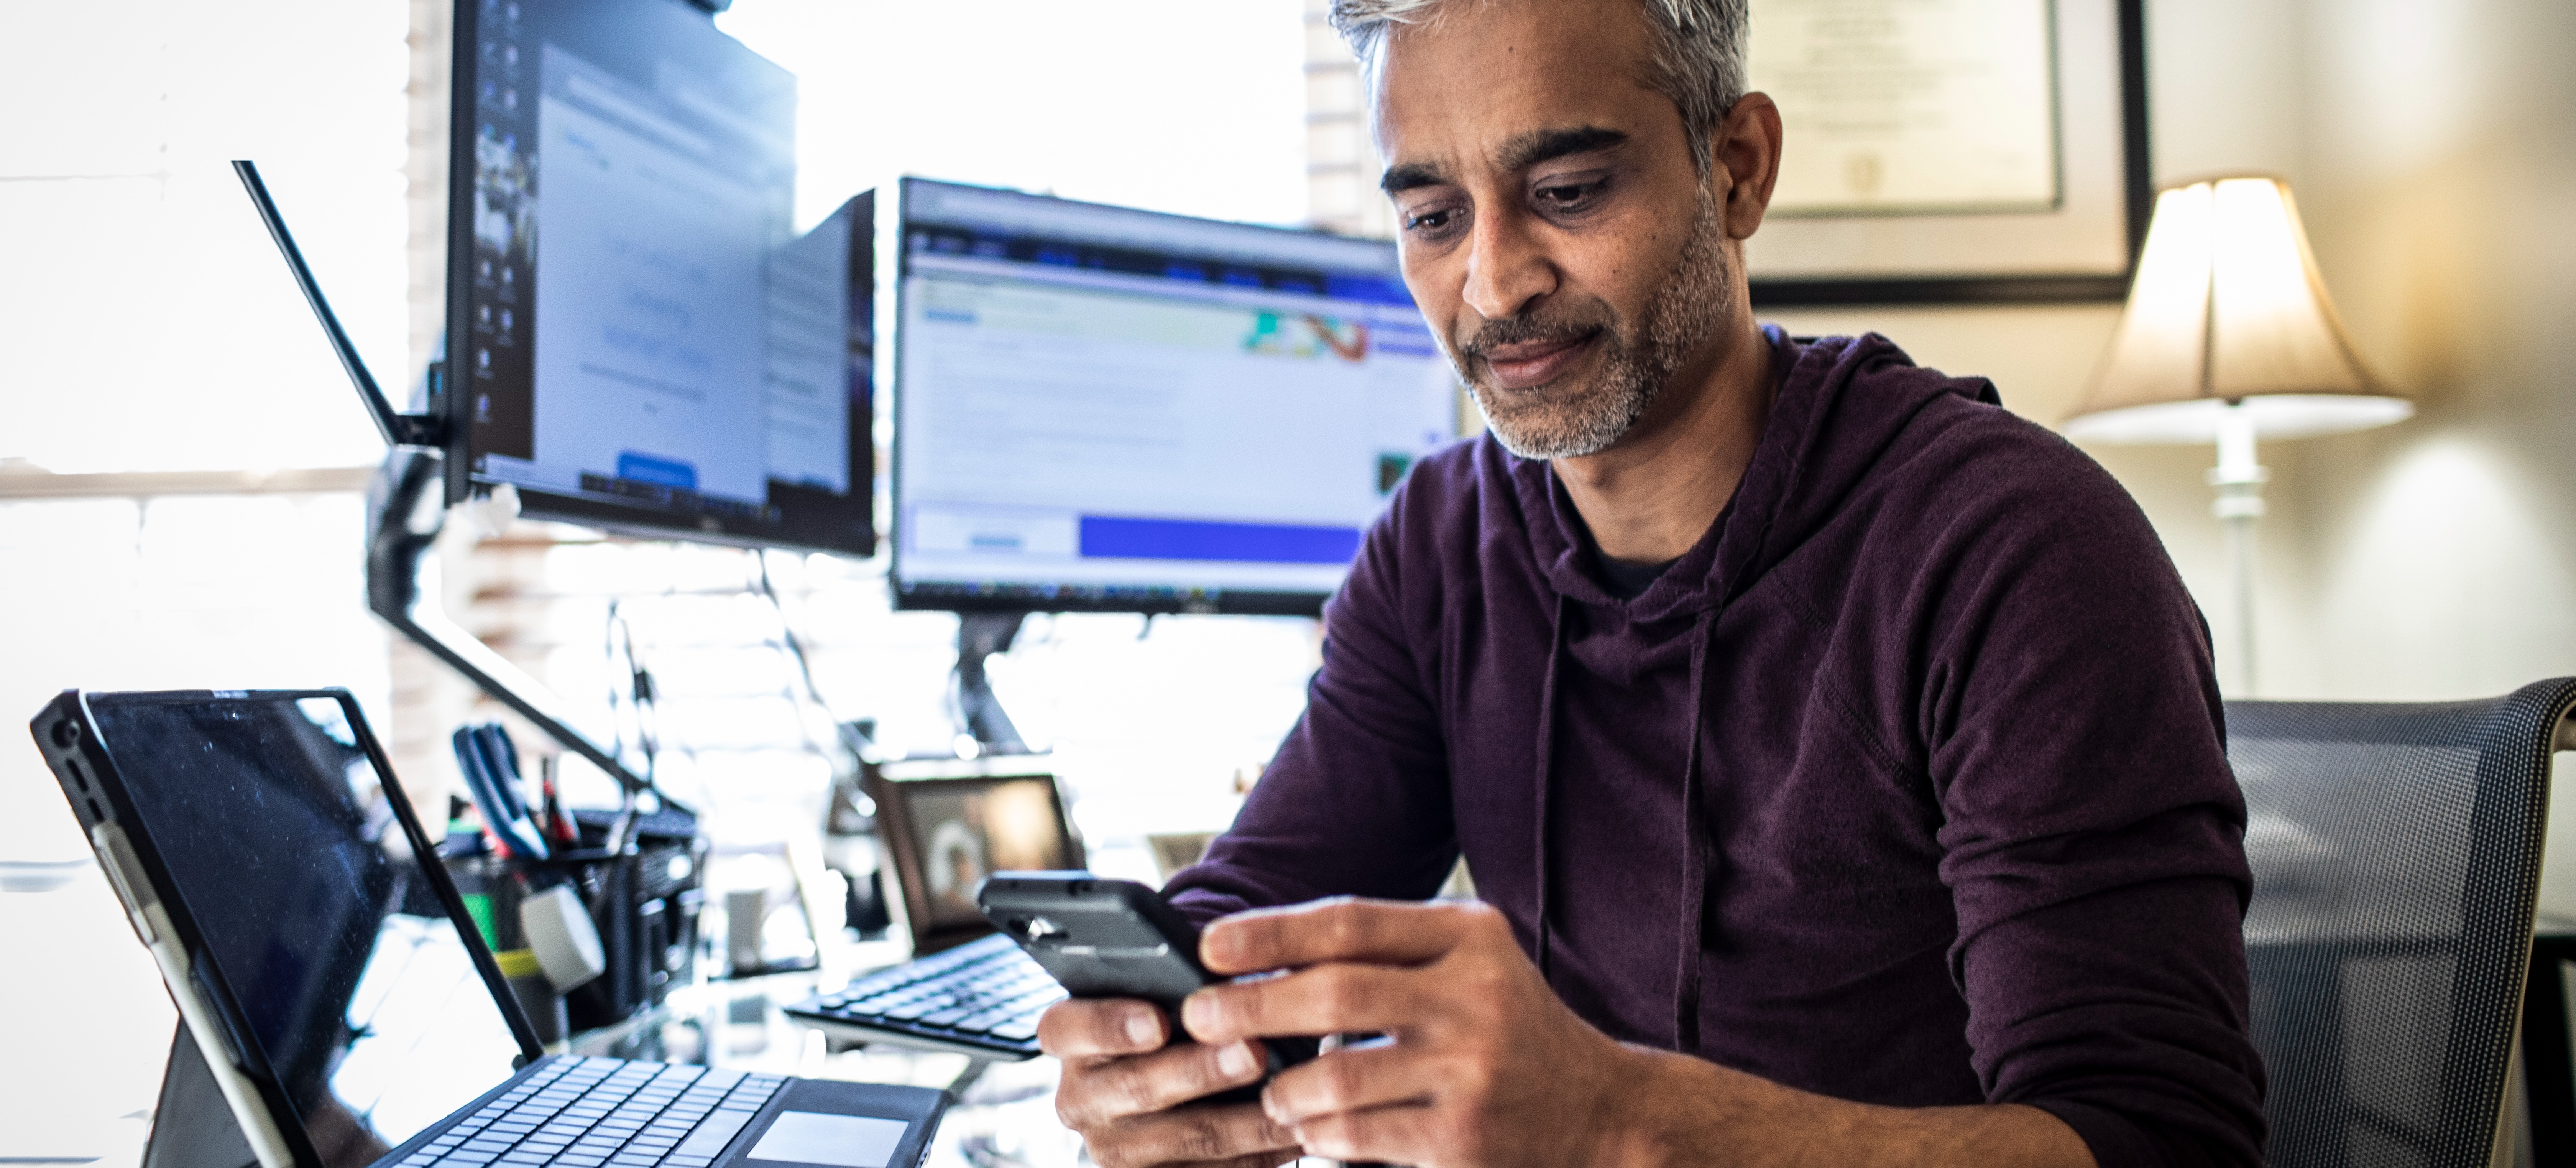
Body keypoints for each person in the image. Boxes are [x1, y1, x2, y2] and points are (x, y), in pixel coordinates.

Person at [1037, 1, 2264, 1165]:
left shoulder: (2015, 551)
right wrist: (1153, 1045)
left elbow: (2161, 1140)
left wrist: (1619, 1128)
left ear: (1736, 169)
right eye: (1432, 217)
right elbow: (1261, 909)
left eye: (1566, 193)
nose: (1493, 283)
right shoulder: (1442, 544)